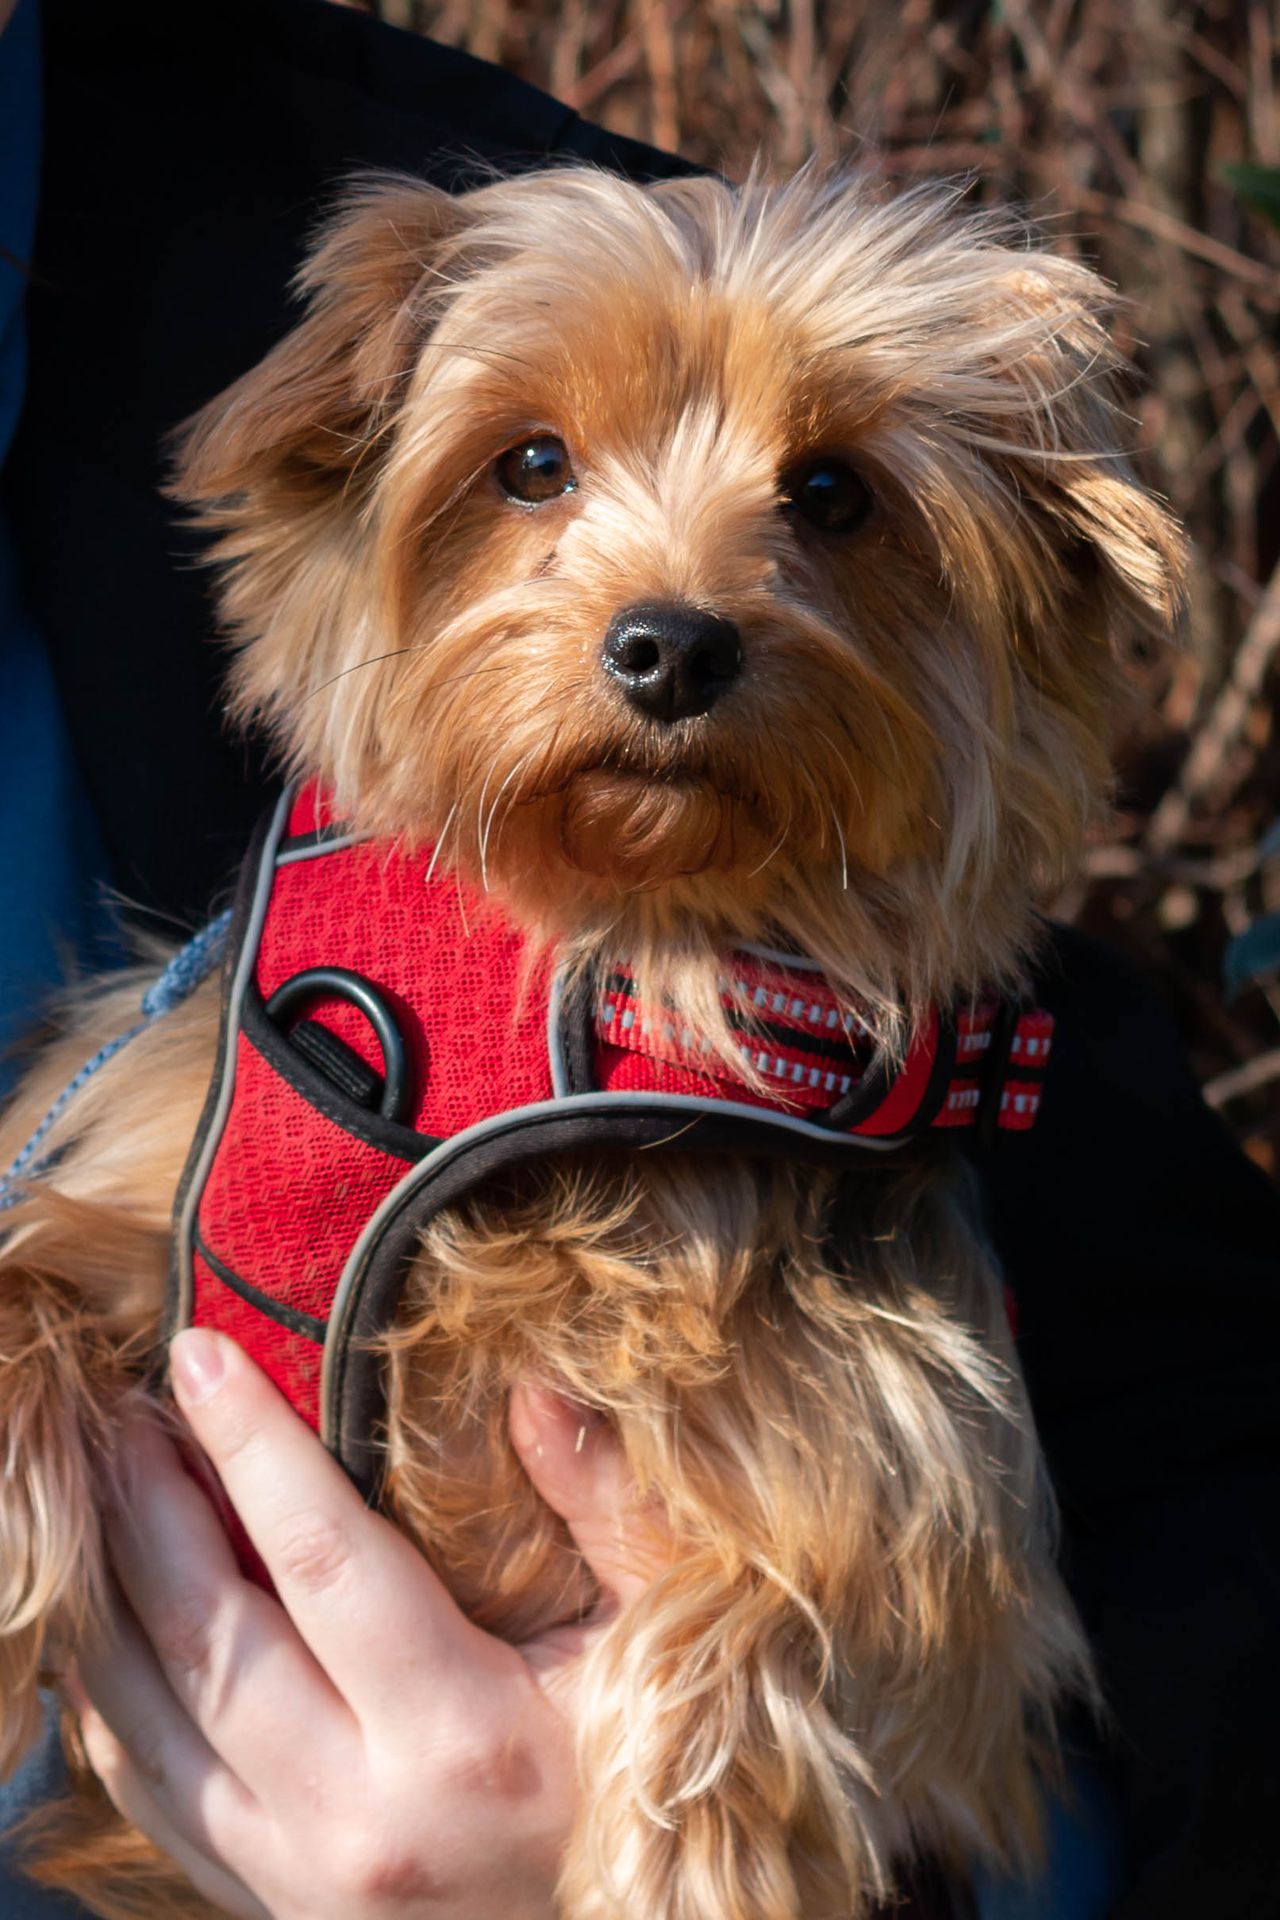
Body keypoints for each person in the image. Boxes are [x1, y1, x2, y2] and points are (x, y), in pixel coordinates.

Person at [3, 1, 1278, 1915]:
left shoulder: (313, 157)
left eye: (832, 504)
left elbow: (1159, 1551)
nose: (673, 607)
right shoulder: (244, 1067)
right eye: (534, 471)